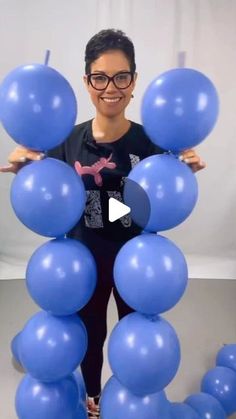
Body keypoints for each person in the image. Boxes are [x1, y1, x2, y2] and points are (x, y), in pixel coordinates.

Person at [0, 29, 205, 418]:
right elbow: (48, 194)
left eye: (121, 77)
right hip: (82, 262)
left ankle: (132, 400)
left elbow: (164, 195)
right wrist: (25, 171)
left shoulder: (151, 145)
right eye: (100, 77)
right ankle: (93, 397)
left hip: (136, 262)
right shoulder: (65, 142)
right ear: (86, 82)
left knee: (135, 332)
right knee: (90, 335)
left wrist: (183, 169)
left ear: (134, 81)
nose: (110, 88)